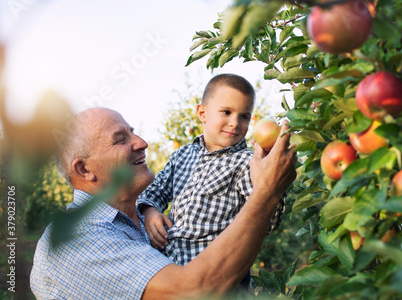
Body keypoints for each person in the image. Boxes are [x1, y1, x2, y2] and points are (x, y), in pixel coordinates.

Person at [30, 107, 296, 299]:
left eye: (133, 132)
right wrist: (267, 191)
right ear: (85, 170)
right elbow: (193, 292)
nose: (142, 142)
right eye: (120, 139)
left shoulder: (144, 221)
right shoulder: (75, 241)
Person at [136, 74, 285, 274]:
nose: (234, 123)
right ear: (202, 113)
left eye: (244, 116)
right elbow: (155, 191)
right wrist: (150, 212)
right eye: (226, 112)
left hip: (218, 273)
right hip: (171, 268)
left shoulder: (247, 163)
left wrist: (273, 179)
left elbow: (267, 222)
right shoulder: (182, 155)